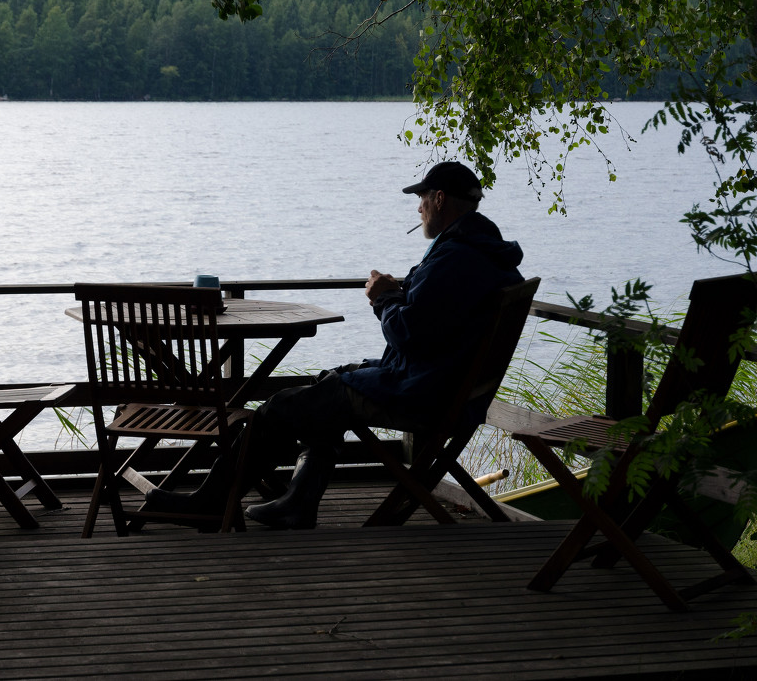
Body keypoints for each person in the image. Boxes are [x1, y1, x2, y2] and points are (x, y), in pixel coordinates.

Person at [146, 161, 525, 528]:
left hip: (421, 393)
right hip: (447, 387)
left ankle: (212, 502)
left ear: (439, 199)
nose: (419, 207)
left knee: (281, 406)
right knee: (329, 385)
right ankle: (296, 502)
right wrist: (403, 291)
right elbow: (437, 318)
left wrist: (383, 298)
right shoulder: (485, 253)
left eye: (422, 198)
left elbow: (408, 332)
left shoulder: (455, 258)